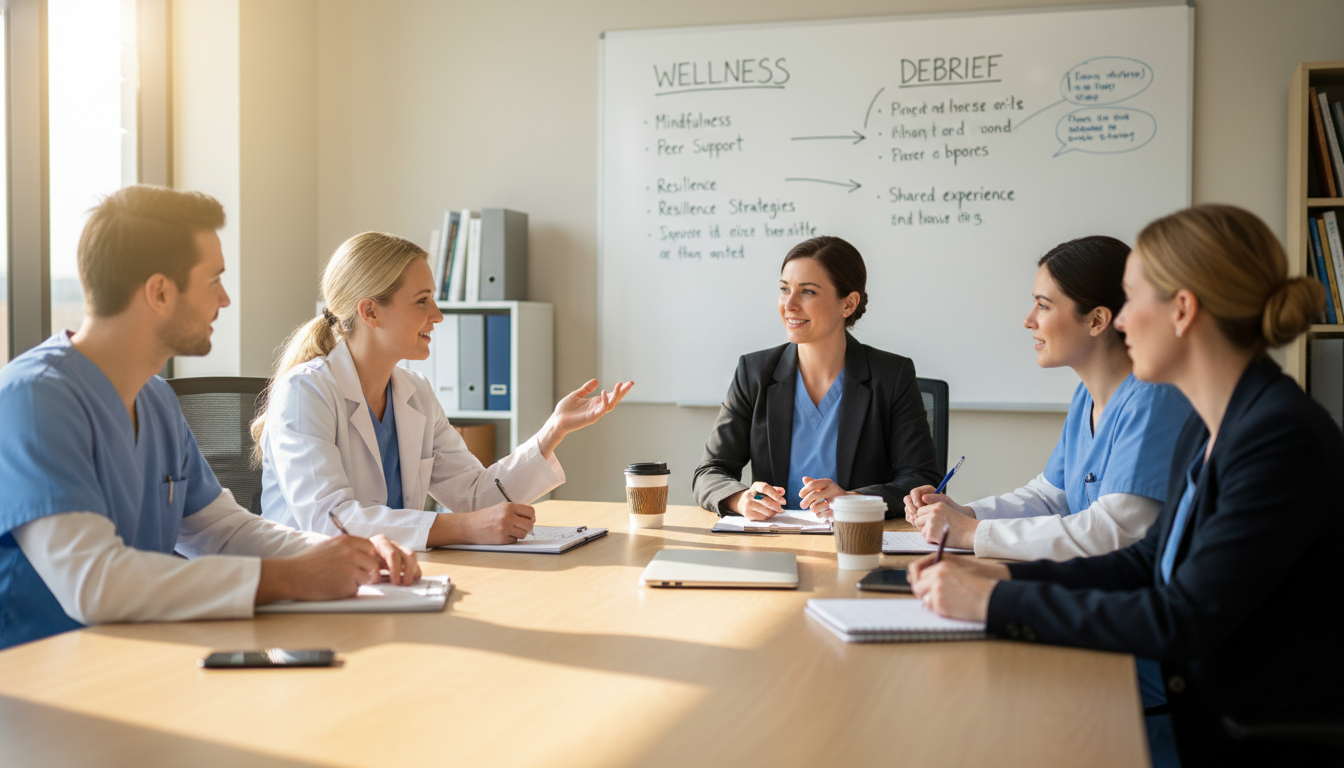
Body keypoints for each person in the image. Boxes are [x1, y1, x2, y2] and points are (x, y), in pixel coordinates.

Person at [908, 205, 1344, 765]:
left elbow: (1181, 617)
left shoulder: (1278, 437)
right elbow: (1144, 562)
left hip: (1237, 734)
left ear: (1183, 310)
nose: (1119, 321)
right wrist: (999, 573)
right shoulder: (1218, 423)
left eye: (1132, 300)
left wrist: (995, 598)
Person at [0, 185, 419, 651]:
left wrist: (343, 555)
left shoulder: (155, 400)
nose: (225, 300)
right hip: (38, 686)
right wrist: (288, 578)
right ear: (159, 292)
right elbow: (94, 582)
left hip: (137, 661)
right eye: (214, 281)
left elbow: (223, 530)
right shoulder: (34, 399)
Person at [256, 232, 632, 549]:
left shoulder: (414, 392)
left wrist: (554, 429)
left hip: (391, 582)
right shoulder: (305, 392)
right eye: (422, 301)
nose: (437, 315)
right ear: (370, 312)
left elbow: (474, 495)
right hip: (312, 595)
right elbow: (330, 522)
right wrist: (464, 528)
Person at [904, 236, 1192, 561]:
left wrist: (972, 533)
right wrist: (966, 513)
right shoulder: (1087, 396)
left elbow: (1115, 531)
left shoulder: (1153, 401)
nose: (1029, 320)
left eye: (1043, 305)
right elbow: (1050, 497)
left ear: (1097, 320)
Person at [693, 236, 941, 520]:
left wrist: (852, 500)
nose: (789, 304)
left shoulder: (891, 375)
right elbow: (709, 472)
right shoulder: (754, 372)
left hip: (856, 540)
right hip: (775, 542)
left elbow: (920, 478)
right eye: (784, 289)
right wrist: (740, 499)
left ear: (848, 304)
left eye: (808, 292)